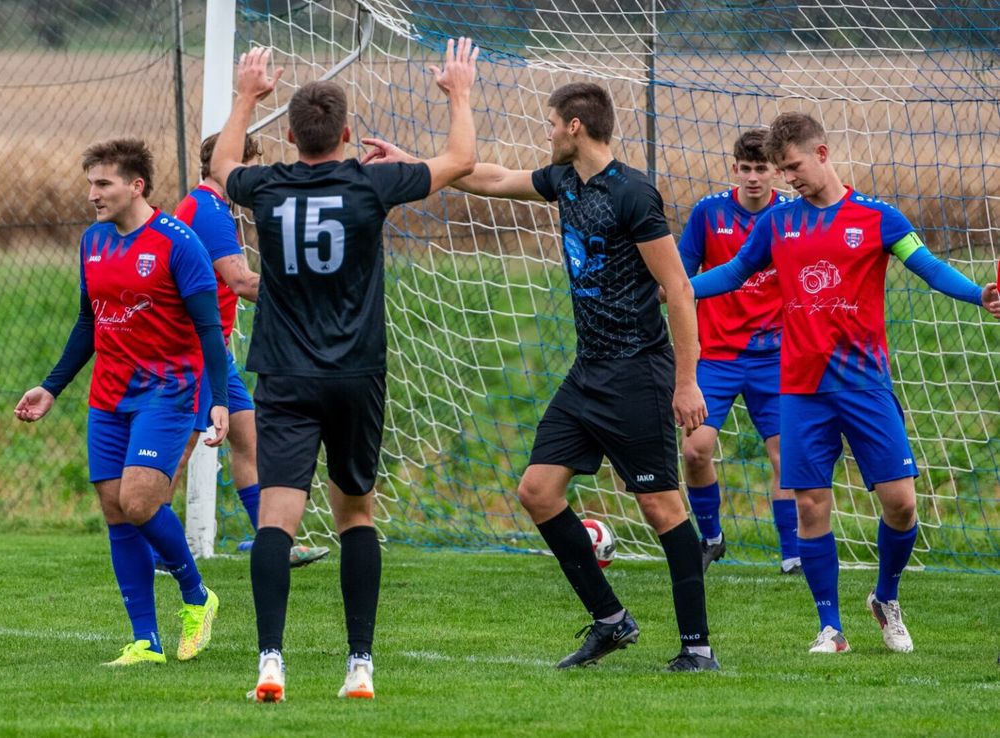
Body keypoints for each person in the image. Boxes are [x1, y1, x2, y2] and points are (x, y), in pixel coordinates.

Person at [365, 81, 718, 672]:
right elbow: (493, 179)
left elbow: (678, 290)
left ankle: (697, 649)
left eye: (552, 123)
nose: (547, 132)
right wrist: (413, 167)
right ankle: (611, 621)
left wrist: (687, 382)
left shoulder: (633, 194)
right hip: (589, 373)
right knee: (537, 491)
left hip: (639, 373)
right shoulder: (565, 182)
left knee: (661, 508)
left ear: (575, 127)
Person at [207, 39, 479, 702]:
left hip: (286, 375)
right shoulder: (370, 182)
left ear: (292, 136)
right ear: (350, 135)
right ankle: (360, 665)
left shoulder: (265, 184)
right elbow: (462, 160)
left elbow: (220, 169)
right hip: (357, 374)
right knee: (355, 514)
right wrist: (459, 94)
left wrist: (246, 96)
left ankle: (270, 661)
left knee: (277, 518)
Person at [690, 112, 1000, 654]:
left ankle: (885, 597)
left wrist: (979, 295)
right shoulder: (778, 225)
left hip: (864, 385)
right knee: (811, 504)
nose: (789, 179)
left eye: (794, 167)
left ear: (823, 154)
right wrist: (678, 288)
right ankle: (830, 627)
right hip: (802, 389)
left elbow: (927, 267)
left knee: (901, 503)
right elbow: (735, 273)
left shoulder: (877, 218)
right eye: (783, 171)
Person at [14, 138, 229, 667]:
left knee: (138, 502)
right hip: (108, 396)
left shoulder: (179, 243)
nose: (92, 194)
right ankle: (145, 642)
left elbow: (210, 331)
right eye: (89, 183)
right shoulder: (92, 242)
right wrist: (52, 386)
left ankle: (198, 597)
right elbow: (89, 322)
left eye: (103, 183)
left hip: (168, 391)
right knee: (115, 512)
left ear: (136, 186)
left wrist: (218, 401)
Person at [166, 132, 330, 570]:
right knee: (177, 447)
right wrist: (311, 286)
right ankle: (153, 548)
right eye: (255, 166)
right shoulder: (210, 212)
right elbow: (242, 282)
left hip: (213, 350)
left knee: (249, 440)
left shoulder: (209, 207)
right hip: (194, 350)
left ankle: (272, 540)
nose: (259, 176)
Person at [677, 129, 800, 574]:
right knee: (695, 450)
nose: (753, 177)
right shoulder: (709, 213)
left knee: (787, 456)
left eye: (762, 169)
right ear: (734, 169)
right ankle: (711, 538)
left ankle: (793, 554)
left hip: (776, 356)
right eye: (745, 168)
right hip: (716, 356)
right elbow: (680, 278)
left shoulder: (793, 214)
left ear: (776, 172)